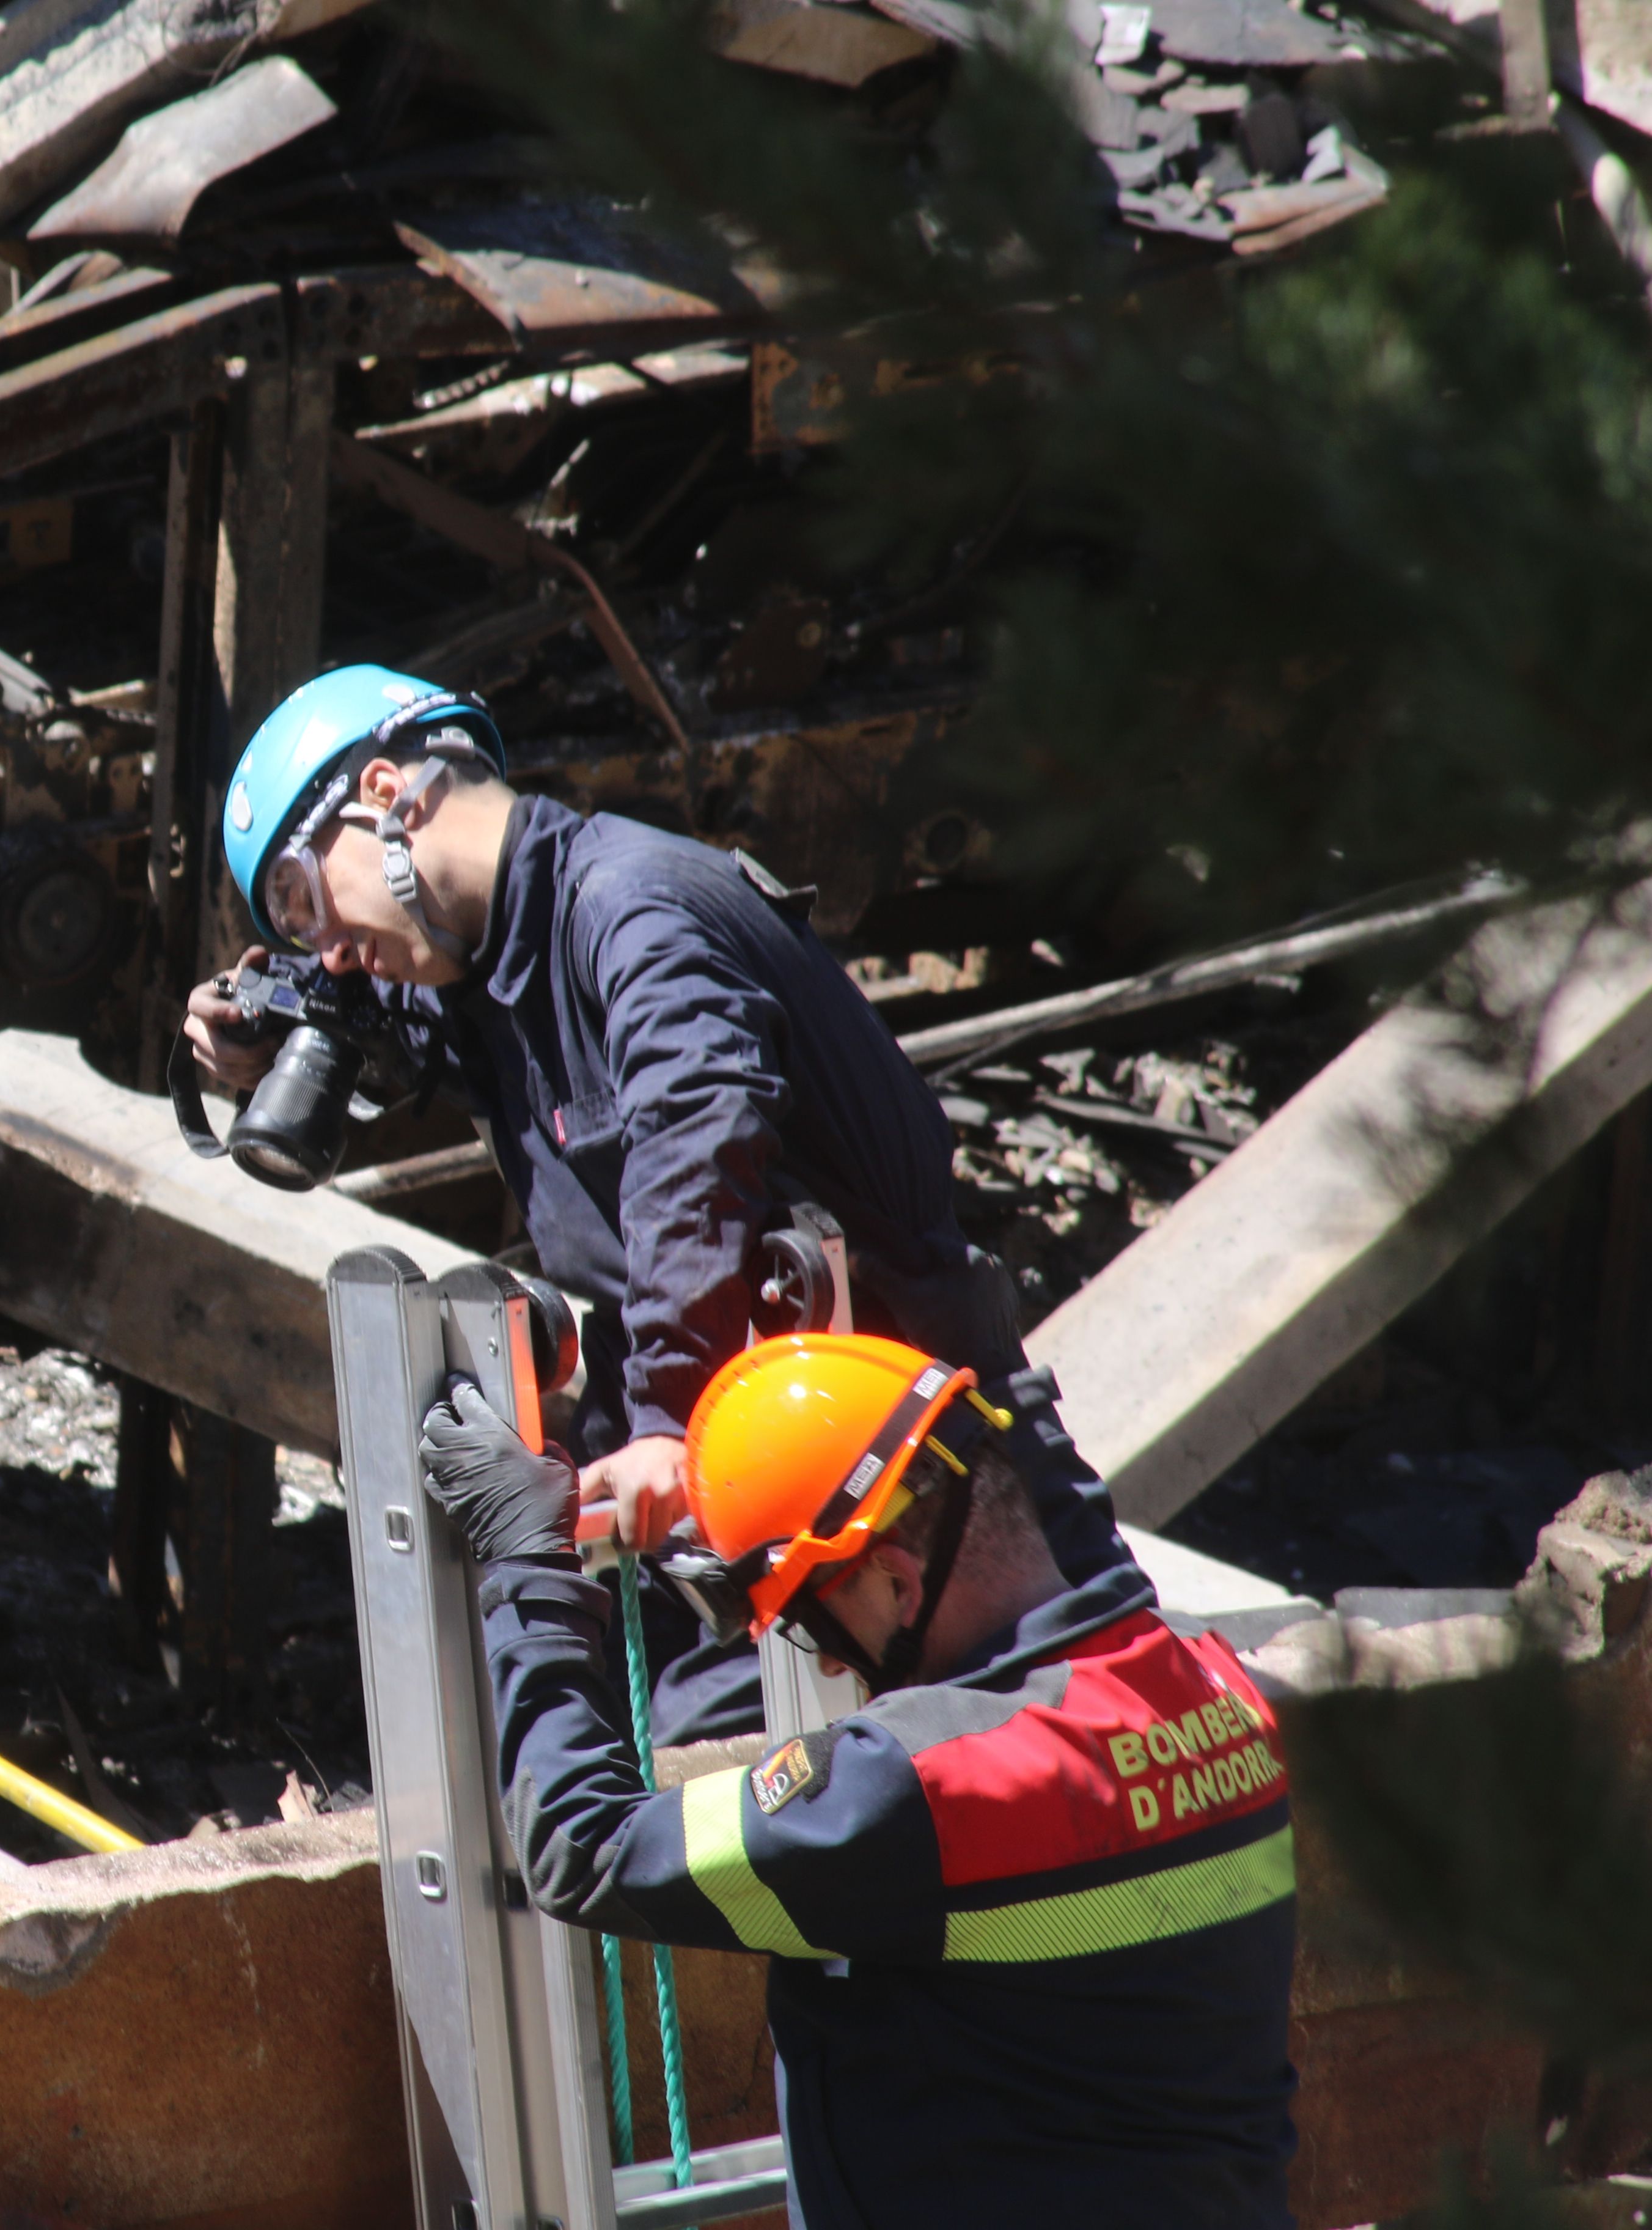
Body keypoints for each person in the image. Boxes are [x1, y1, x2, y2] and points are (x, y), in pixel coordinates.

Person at [183, 663, 1127, 1735]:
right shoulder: (496, 961)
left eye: (309, 904)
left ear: (390, 797)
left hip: (930, 1489)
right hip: (780, 1480)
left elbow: (699, 1137)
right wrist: (270, 1018)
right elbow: (403, 1023)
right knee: (652, 1748)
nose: (334, 953)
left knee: (1088, 1755)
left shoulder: (633, 910)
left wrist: (666, 1421)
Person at [419, 1333, 1298, 2229]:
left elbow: (587, 1846)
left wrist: (529, 1567)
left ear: (894, 1581)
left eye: (809, 1617)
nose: (825, 1654)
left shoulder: (922, 1789)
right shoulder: (1213, 1683)